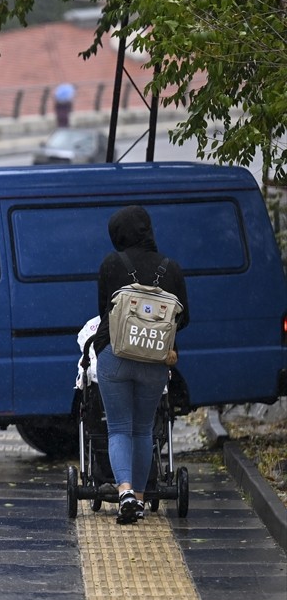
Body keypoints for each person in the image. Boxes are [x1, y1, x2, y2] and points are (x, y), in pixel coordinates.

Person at [93, 205, 189, 524]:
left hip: (115, 356)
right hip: (154, 360)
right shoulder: (170, 267)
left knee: (119, 426)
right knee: (143, 428)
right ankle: (142, 497)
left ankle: (125, 494)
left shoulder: (111, 264)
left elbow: (104, 312)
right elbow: (184, 319)